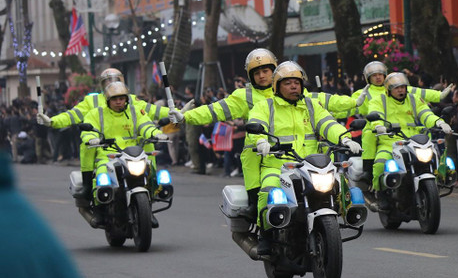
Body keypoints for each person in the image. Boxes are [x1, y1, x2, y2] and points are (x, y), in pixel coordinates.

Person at [247, 61, 361, 255]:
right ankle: (266, 235)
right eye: (288, 83)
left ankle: (350, 216)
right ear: (276, 86)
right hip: (278, 165)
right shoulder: (265, 106)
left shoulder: (310, 105)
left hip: (312, 164)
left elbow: (328, 123)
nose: (293, 86)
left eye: (297, 82)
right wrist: (260, 141)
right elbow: (256, 124)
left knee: (340, 184)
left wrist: (345, 138)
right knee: (268, 191)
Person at [37, 67, 173, 207]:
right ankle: (89, 185)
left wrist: (176, 115)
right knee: (87, 148)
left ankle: (153, 185)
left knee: (149, 146)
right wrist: (52, 121)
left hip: (133, 151)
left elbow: (151, 114)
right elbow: (72, 115)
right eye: (108, 82)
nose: (118, 100)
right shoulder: (93, 104)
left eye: (116, 81)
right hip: (106, 149)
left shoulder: (132, 102)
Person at [177, 49, 279, 204]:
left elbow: (319, 108)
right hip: (257, 158)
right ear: (251, 75)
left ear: (275, 71)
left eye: (266, 71)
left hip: (293, 157)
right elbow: (215, 110)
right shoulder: (244, 96)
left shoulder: (288, 90)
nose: (262, 76)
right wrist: (186, 116)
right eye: (257, 72)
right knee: (260, 205)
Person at [80, 82, 167, 225]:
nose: (118, 102)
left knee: (150, 173)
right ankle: (100, 211)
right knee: (102, 177)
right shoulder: (96, 114)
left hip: (134, 154)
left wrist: (157, 134)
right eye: (114, 99)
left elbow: (146, 126)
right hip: (108, 155)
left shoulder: (136, 112)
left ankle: (148, 210)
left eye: (121, 98)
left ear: (126, 98)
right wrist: (91, 138)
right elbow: (88, 130)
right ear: (108, 100)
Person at [354, 60, 450, 185]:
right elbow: (354, 106)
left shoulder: (413, 98)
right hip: (388, 140)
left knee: (434, 158)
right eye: (396, 88)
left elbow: (425, 113)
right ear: (388, 89)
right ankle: (379, 191)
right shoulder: (376, 99)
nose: (400, 90)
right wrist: (378, 125)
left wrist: (439, 122)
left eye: (402, 87)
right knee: (379, 164)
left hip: (413, 140)